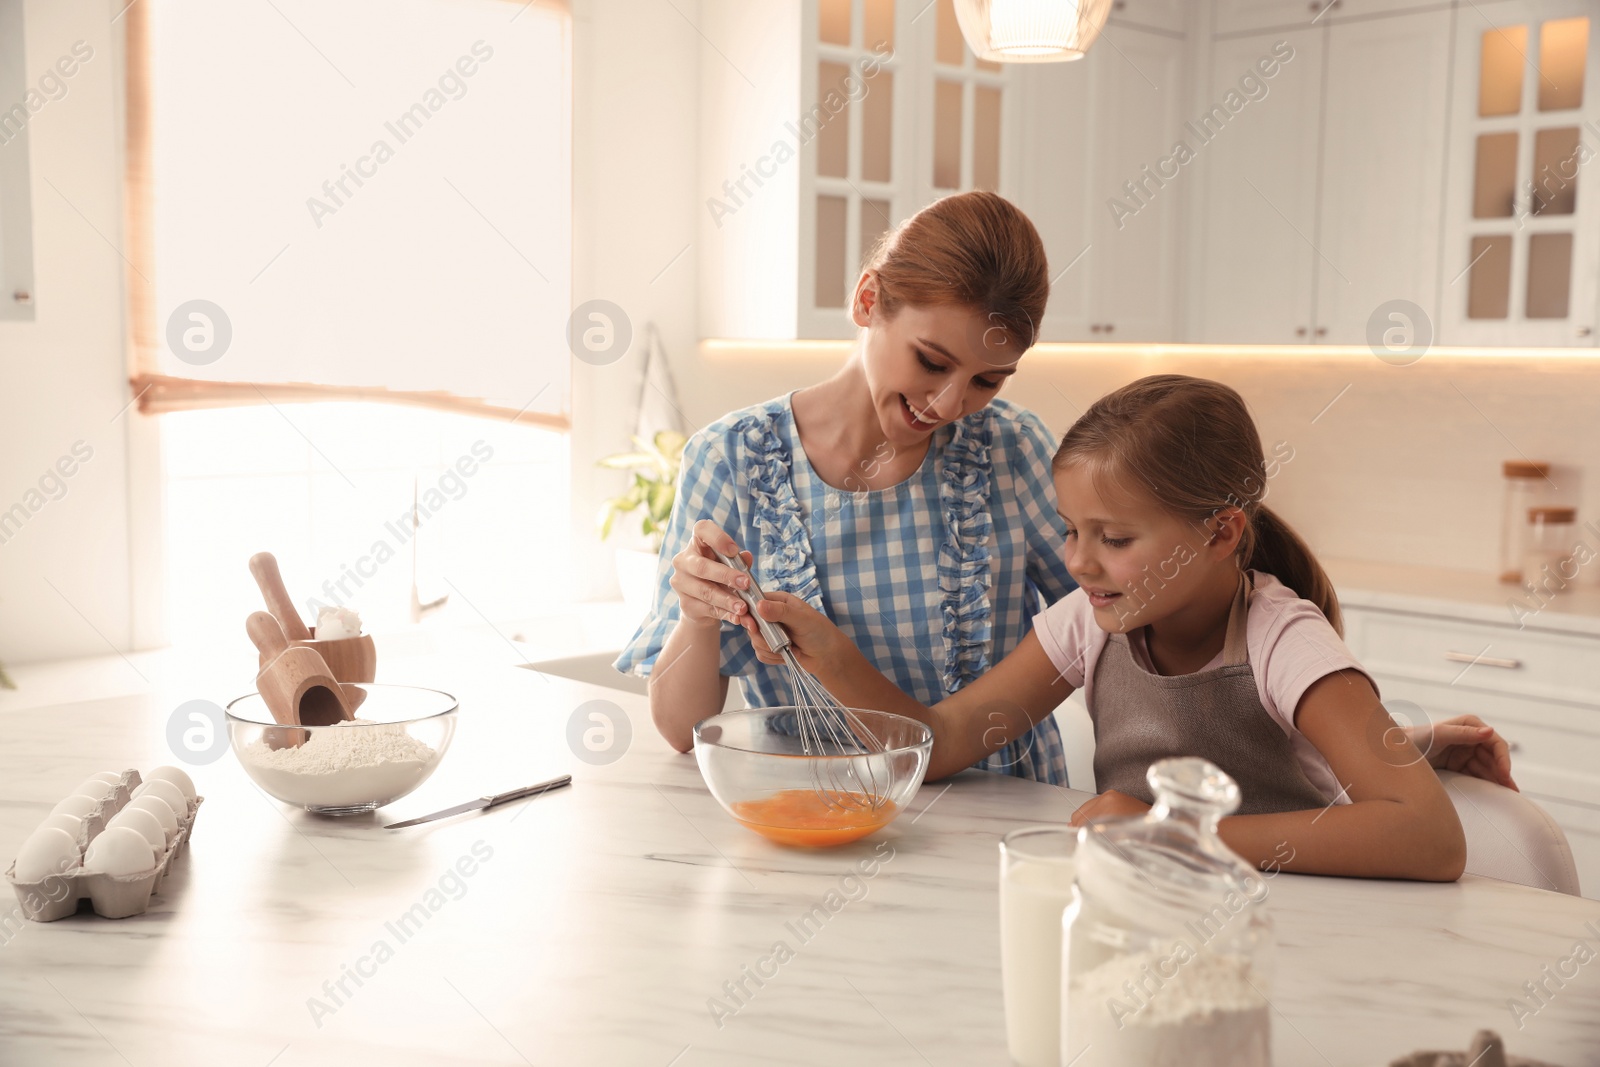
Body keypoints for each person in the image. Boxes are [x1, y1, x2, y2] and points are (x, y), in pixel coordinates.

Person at [726, 375, 1517, 881]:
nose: (1078, 562)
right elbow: (942, 739)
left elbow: (1429, 839)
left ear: (1220, 533)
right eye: (1071, 530)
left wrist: (1172, 834)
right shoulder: (1091, 624)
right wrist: (828, 654)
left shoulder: (1283, 638)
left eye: (1115, 539)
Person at [615, 191, 1079, 781]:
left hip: (1002, 813)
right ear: (868, 300)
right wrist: (698, 617)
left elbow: (1103, 629)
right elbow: (681, 728)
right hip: (815, 811)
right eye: (932, 362)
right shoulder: (731, 458)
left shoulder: (1014, 450)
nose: (948, 404)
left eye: (987, 380)